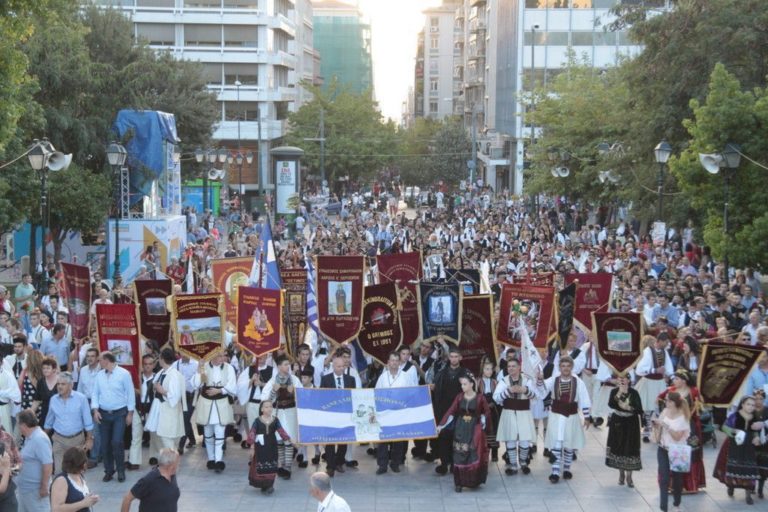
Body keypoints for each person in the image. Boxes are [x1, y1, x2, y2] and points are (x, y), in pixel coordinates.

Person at [536, 355, 592, 483]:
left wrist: (587, 416)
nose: (565, 368)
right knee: (556, 444)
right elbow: (542, 390)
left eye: (568, 366)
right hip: (556, 416)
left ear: (571, 367)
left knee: (569, 445)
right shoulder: (554, 380)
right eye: (563, 366)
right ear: (559, 367)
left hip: (571, 417)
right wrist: (540, 380)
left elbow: (584, 398)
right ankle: (555, 472)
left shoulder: (578, 381)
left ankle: (566, 469)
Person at [436, 374, 492, 492]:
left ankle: (473, 481)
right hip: (460, 428)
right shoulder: (459, 397)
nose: (462, 386)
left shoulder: (480, 398)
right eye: (461, 384)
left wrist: (483, 423)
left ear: (472, 384)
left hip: (474, 429)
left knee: (472, 453)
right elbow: (451, 411)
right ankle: (459, 483)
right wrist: (441, 425)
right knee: (459, 454)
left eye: (465, 384)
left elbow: (486, 413)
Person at [657, 369, 706, 493]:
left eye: (677, 379)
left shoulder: (693, 391)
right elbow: (659, 398)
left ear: (684, 381)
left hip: (689, 424)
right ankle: (672, 485)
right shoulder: (671, 390)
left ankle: (689, 485)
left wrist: (687, 415)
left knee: (690, 452)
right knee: (672, 452)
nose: (674, 381)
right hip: (674, 423)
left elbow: (699, 406)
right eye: (674, 379)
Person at [90, 351, 136, 483]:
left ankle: (120, 470)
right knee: (105, 444)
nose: (99, 363)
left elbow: (130, 393)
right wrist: (95, 410)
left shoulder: (124, 374)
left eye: (100, 360)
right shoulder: (99, 375)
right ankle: (109, 470)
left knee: (117, 442)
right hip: (104, 413)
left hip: (119, 413)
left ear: (106, 361)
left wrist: (130, 413)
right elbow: (95, 393)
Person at [192, 350, 237, 473]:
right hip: (206, 403)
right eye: (219, 355)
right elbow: (196, 384)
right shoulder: (204, 366)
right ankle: (211, 459)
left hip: (221, 403)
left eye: (224, 355)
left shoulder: (229, 368)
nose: (223, 358)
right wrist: (199, 368)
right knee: (208, 432)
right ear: (212, 356)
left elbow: (233, 385)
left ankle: (218, 460)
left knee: (219, 431)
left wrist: (220, 391)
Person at [713, 395, 762, 505]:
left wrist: (756, 437)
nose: (750, 407)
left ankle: (748, 493)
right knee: (733, 466)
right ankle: (731, 486)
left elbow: (755, 431)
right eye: (748, 404)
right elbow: (724, 427)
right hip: (734, 444)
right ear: (743, 404)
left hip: (748, 446)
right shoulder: (734, 416)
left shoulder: (755, 417)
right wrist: (735, 431)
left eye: (753, 405)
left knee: (749, 468)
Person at [43, 372, 94, 473]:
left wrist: (89, 439)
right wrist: (43, 436)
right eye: (58, 384)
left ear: (71, 385)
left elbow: (88, 422)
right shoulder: (53, 400)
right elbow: (49, 421)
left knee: (76, 472)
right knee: (59, 472)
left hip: (77, 441)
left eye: (63, 384)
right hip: (59, 440)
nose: (60, 387)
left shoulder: (81, 399)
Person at [493, 358, 536, 476]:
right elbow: (496, 397)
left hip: (524, 412)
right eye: (509, 366)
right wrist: (508, 391)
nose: (511, 368)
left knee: (525, 441)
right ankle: (513, 465)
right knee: (510, 439)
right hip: (509, 412)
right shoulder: (503, 381)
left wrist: (525, 390)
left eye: (513, 366)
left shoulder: (527, 380)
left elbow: (535, 396)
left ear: (519, 367)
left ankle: (523, 462)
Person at [261, 355, 302, 479]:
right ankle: (281, 465)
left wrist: (294, 391)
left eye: (288, 364)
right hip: (278, 413)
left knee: (288, 440)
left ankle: (287, 467)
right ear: (278, 366)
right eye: (284, 364)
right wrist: (274, 391)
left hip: (290, 412)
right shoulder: (273, 380)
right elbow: (265, 400)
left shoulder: (294, 379)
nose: (287, 366)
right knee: (279, 441)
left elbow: (304, 396)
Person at [144, 348, 186, 466]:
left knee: (168, 439)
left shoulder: (174, 375)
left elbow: (175, 396)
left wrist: (162, 391)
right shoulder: (162, 372)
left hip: (169, 411)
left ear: (162, 359)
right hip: (159, 410)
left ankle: (171, 466)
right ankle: (165, 464)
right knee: (160, 437)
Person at [432, 346, 467, 475]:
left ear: (460, 358)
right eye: (451, 357)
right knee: (443, 438)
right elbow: (436, 390)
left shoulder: (465, 374)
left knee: (457, 438)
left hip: (459, 411)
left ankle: (454, 464)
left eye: (456, 357)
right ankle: (443, 464)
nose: (453, 359)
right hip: (443, 411)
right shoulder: (442, 373)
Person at [653, 391, 690, 512]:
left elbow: (677, 437)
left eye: (669, 400)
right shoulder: (664, 412)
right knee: (664, 478)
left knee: (677, 479)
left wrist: (665, 425)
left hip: (677, 451)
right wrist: (656, 424)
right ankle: (663, 507)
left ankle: (676, 503)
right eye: (666, 400)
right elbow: (659, 427)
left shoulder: (683, 417)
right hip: (663, 448)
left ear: (675, 403)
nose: (666, 402)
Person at [320, 354, 357, 477]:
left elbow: (354, 397)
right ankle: (330, 466)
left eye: (343, 366)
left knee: (343, 441)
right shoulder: (325, 379)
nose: (341, 368)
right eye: (339, 366)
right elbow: (321, 397)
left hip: (345, 415)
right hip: (330, 416)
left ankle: (339, 463)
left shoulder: (350, 379)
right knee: (330, 441)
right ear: (333, 366)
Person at [374, 352, 409, 475]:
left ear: (399, 363)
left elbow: (410, 393)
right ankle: (382, 465)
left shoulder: (405, 377)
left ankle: (395, 463)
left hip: (399, 413)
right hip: (384, 413)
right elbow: (377, 393)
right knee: (383, 440)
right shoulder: (383, 377)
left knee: (398, 440)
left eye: (396, 360)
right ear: (388, 362)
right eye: (392, 360)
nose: (394, 363)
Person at [605, 374, 643, 487]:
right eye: (620, 378)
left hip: (631, 422)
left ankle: (629, 476)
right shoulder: (614, 391)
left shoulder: (634, 393)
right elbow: (611, 404)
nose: (622, 380)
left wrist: (629, 408)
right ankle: (621, 474)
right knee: (618, 446)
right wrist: (620, 393)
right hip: (618, 422)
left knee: (630, 447)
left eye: (625, 378)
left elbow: (639, 409)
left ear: (629, 380)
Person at [247, 400, 291, 494]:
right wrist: (252, 447)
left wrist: (289, 440)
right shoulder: (257, 421)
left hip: (272, 446)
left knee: (272, 464)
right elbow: (252, 433)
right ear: (262, 409)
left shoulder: (275, 420)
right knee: (261, 465)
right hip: (261, 447)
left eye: (271, 406)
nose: (269, 408)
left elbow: (281, 431)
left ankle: (270, 485)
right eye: (266, 407)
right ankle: (264, 484)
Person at [635, 335, 674, 442]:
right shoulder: (647, 351)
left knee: (659, 408)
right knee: (648, 408)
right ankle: (646, 431)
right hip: (649, 382)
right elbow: (639, 369)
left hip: (660, 383)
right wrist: (655, 370)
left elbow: (668, 367)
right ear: (659, 341)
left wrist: (672, 377)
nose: (667, 344)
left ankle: (659, 432)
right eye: (665, 342)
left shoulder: (664, 352)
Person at [16, 409, 53, 512]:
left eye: (18, 424)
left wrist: (44, 487)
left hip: (35, 491)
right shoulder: (29, 438)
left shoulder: (39, 438)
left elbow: (48, 464)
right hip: (25, 490)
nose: (18, 427)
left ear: (23, 424)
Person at [49, 447, 99, 512]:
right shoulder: (61, 481)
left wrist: (90, 499)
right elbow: (56, 509)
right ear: (83, 464)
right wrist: (83, 503)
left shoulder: (79, 476)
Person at [476, 359, 500, 462]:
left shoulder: (495, 382)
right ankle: (484, 452)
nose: (489, 371)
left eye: (491, 369)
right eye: (487, 369)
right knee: (483, 431)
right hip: (481, 410)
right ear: (482, 369)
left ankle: (494, 453)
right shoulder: (477, 381)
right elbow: (476, 395)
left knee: (494, 430)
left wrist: (493, 403)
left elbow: (498, 396)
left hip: (493, 409)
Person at [30, 357, 60, 434]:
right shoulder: (41, 382)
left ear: (54, 369)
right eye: (44, 368)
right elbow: (37, 400)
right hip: (45, 413)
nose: (45, 370)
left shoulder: (61, 381)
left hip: (59, 414)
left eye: (48, 368)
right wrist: (31, 412)